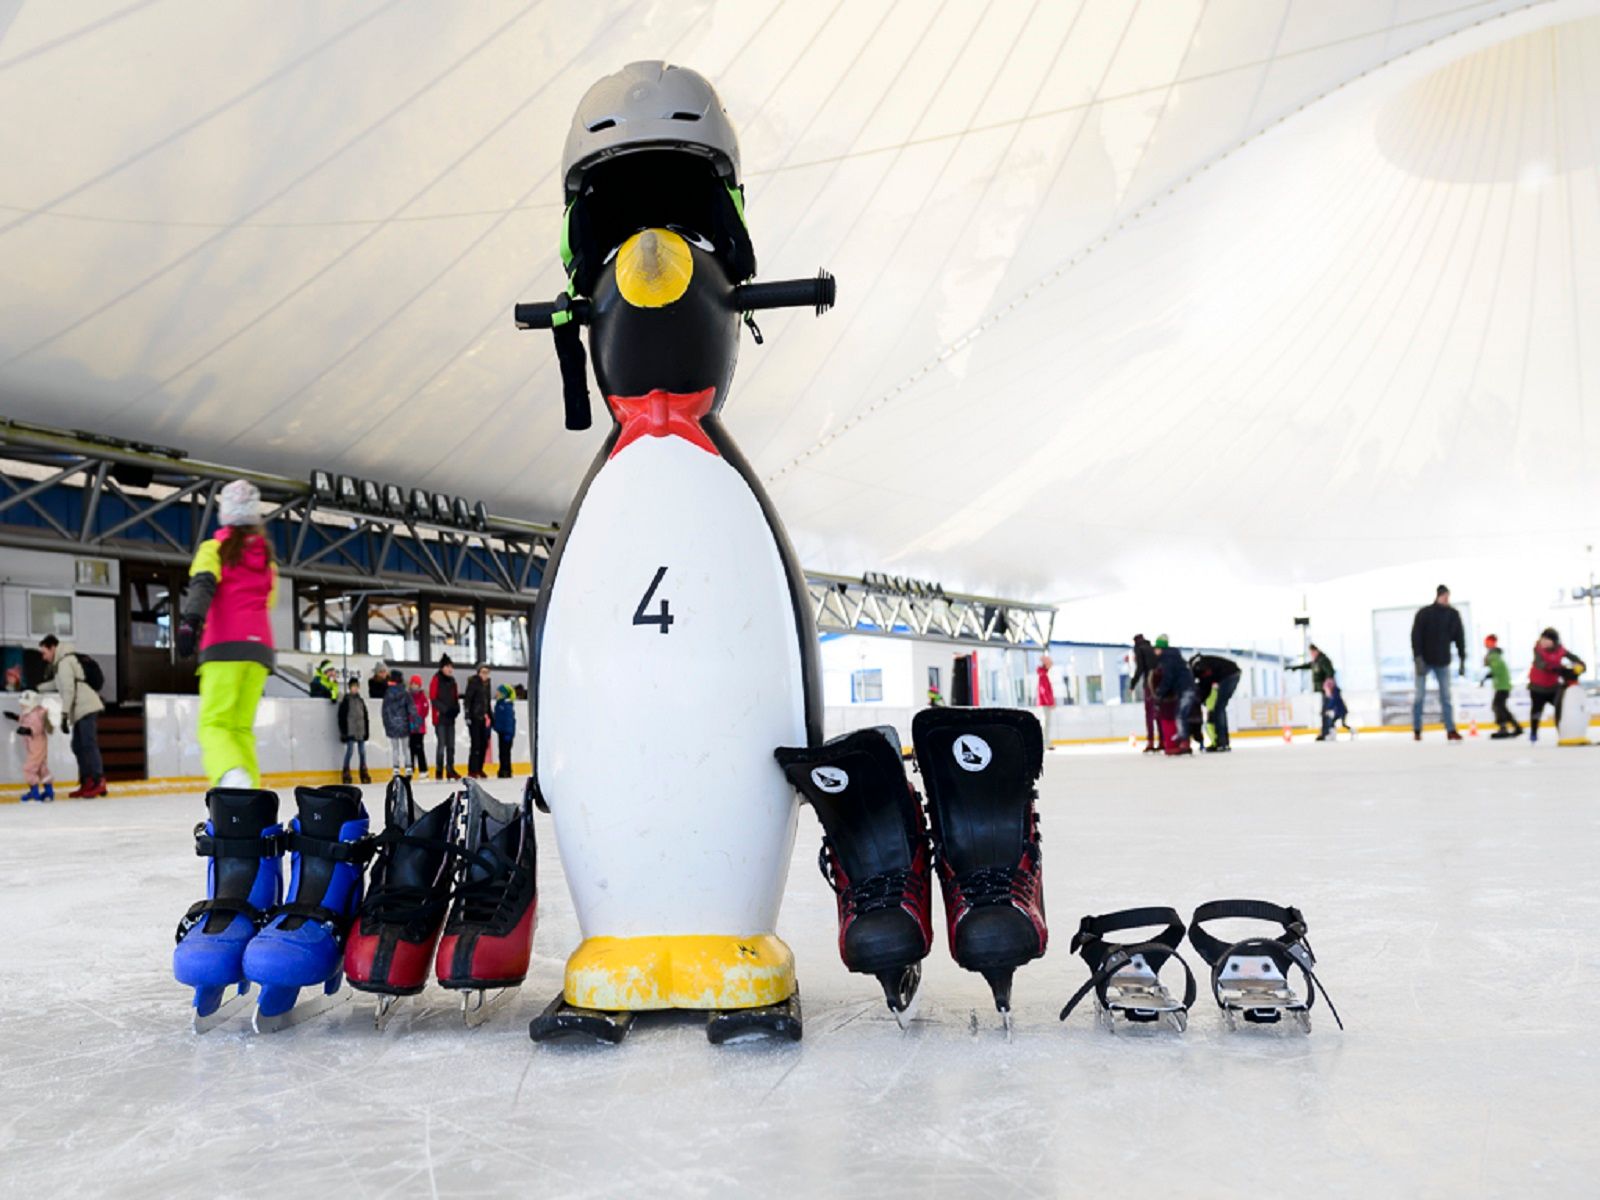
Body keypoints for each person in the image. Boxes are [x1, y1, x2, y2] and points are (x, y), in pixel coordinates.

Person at [175, 480, 277, 790]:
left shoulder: (214, 548)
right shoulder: (266, 560)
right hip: (260, 651)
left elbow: (203, 586)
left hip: (223, 646)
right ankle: (250, 798)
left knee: (214, 724)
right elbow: (268, 600)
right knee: (241, 729)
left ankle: (232, 776)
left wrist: (190, 623)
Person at [38, 634, 107, 797]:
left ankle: (99, 780)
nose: (43, 657)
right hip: (80, 708)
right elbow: (58, 684)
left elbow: (68, 690)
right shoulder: (62, 664)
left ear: (52, 648)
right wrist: (36, 687)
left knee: (88, 743)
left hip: (86, 706)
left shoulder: (65, 662)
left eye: (44, 652)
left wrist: (63, 715)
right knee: (77, 745)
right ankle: (88, 780)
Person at [1411, 584, 1466, 742]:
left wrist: (1462, 659)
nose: (1446, 598)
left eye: (1448, 596)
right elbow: (1416, 636)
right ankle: (1417, 729)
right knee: (1419, 696)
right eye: (1444, 596)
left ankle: (1451, 730)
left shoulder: (1453, 614)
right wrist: (1418, 658)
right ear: (1437, 596)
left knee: (1446, 697)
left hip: (1442, 661)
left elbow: (1460, 638)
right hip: (1424, 661)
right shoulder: (1424, 613)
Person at [1528, 628, 1585, 743]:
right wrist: (1557, 668)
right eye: (1542, 639)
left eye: (1546, 640)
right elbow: (1540, 664)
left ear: (1554, 641)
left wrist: (1581, 665)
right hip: (1537, 687)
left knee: (1561, 709)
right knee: (1537, 711)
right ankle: (1534, 731)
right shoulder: (1538, 649)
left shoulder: (1560, 650)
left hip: (1553, 687)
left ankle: (1562, 731)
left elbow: (1573, 658)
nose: (1543, 642)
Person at [1287, 644, 1351, 740]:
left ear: (1316, 651)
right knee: (1325, 712)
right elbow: (1308, 665)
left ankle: (1327, 732)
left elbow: (1330, 672)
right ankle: (1327, 731)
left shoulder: (1323, 660)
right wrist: (1295, 668)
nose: (1311, 655)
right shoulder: (1316, 661)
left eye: (1312, 653)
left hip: (1328, 691)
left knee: (1326, 712)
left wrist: (1328, 685)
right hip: (1323, 691)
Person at [1189, 653, 1241, 752]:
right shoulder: (1202, 663)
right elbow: (1207, 683)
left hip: (1229, 675)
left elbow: (1206, 683)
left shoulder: (1199, 666)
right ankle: (1222, 742)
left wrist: (1200, 699)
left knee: (1219, 708)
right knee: (1219, 708)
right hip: (1232, 673)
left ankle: (1222, 742)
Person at [9, 690, 55, 801]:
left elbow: (36, 727)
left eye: (24, 703)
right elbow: (27, 719)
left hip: (36, 743)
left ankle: (34, 792)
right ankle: (49, 791)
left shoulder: (35, 714)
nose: (22, 705)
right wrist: (16, 718)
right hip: (36, 743)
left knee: (29, 768)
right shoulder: (32, 711)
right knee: (40, 767)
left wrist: (27, 731)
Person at [1153, 636, 1196, 753]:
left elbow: (1168, 678)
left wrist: (1159, 692)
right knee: (1181, 715)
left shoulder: (1167, 659)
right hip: (1187, 688)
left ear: (1160, 649)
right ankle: (1183, 741)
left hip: (1186, 689)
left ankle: (1184, 742)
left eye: (1155, 649)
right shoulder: (1174, 657)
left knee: (1180, 715)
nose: (1154, 652)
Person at [1480, 635, 1522, 739]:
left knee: (1497, 706)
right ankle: (1516, 726)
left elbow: (1496, 669)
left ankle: (1503, 727)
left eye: (1487, 642)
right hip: (1503, 685)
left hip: (1502, 685)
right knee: (1501, 706)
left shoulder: (1493, 655)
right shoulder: (1495, 654)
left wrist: (1486, 676)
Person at [429, 655, 461, 780]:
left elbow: (455, 697)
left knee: (451, 745)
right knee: (441, 745)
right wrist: (445, 710)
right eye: (447, 667)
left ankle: (450, 769)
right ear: (442, 667)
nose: (450, 669)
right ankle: (439, 770)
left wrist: (456, 709)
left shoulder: (452, 681)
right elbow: (433, 698)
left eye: (451, 667)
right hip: (440, 718)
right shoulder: (436, 679)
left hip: (450, 718)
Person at [1129, 633, 1161, 752]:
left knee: (1149, 714)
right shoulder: (1152, 648)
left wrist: (1132, 684)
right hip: (1159, 682)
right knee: (1159, 713)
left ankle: (1151, 742)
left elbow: (1140, 668)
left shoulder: (1139, 649)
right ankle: (1162, 740)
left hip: (1149, 682)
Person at [337, 673, 372, 784]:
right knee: (350, 751)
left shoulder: (360, 701)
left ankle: (363, 771)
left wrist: (366, 731)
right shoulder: (346, 701)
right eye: (353, 687)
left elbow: (365, 717)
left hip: (360, 730)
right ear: (349, 688)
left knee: (362, 751)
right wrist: (343, 732)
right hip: (350, 731)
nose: (354, 689)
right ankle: (346, 771)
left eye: (356, 687)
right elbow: (341, 717)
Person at [464, 663, 494, 779]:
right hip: (474, 718)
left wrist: (491, 717)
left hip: (483, 718)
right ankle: (472, 770)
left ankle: (480, 768)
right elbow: (468, 700)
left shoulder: (487, 685)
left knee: (484, 744)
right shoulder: (473, 683)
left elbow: (487, 702)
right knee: (476, 744)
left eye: (487, 672)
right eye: (483, 672)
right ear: (478, 673)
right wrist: (467, 715)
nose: (485, 675)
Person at [381, 673, 412, 779]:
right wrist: (413, 723)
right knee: (406, 748)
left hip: (392, 725)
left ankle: (396, 769)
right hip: (404, 724)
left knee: (395, 749)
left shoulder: (387, 694)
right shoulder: (405, 694)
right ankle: (408, 768)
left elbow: (384, 711)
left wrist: (386, 724)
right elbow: (411, 709)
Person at [407, 675, 430, 775]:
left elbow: (425, 710)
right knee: (411, 748)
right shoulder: (407, 697)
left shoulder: (422, 697)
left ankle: (423, 769)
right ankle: (410, 768)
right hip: (410, 727)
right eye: (412, 684)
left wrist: (418, 721)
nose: (414, 686)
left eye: (416, 684)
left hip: (420, 728)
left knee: (419, 748)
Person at [493, 684, 517, 779]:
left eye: (499, 692)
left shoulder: (506, 705)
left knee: (505, 753)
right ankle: (503, 769)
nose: (497, 693)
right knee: (502, 752)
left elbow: (509, 720)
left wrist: (508, 733)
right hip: (501, 731)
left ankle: (506, 770)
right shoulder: (500, 703)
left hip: (506, 733)